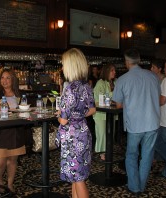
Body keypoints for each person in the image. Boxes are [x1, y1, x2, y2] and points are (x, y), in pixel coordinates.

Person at [112, 49, 160, 195]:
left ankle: (134, 187)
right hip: (152, 123)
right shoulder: (153, 77)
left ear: (127, 62)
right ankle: (142, 185)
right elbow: (157, 96)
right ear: (138, 61)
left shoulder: (122, 80)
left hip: (135, 124)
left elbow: (118, 104)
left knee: (132, 155)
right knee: (147, 155)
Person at [56, 48, 96, 198]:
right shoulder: (86, 86)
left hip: (72, 137)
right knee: (77, 175)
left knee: (78, 179)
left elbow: (63, 120)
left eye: (64, 64)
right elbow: (92, 110)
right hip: (84, 132)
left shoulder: (69, 89)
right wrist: (78, 115)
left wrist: (60, 115)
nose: (62, 67)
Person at [0, 68, 26, 194]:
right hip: (0, 133)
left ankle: (10, 184)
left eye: (8, 77)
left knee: (12, 160)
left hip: (16, 132)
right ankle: (0, 182)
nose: (5, 80)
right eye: (2, 77)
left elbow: (25, 110)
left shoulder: (19, 94)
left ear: (13, 79)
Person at [93, 63, 116, 160]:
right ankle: (102, 154)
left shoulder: (114, 82)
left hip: (112, 113)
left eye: (114, 70)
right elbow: (98, 101)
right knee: (102, 134)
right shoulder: (100, 83)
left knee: (111, 133)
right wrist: (113, 96)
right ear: (106, 71)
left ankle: (108, 151)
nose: (114, 72)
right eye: (112, 70)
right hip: (101, 114)